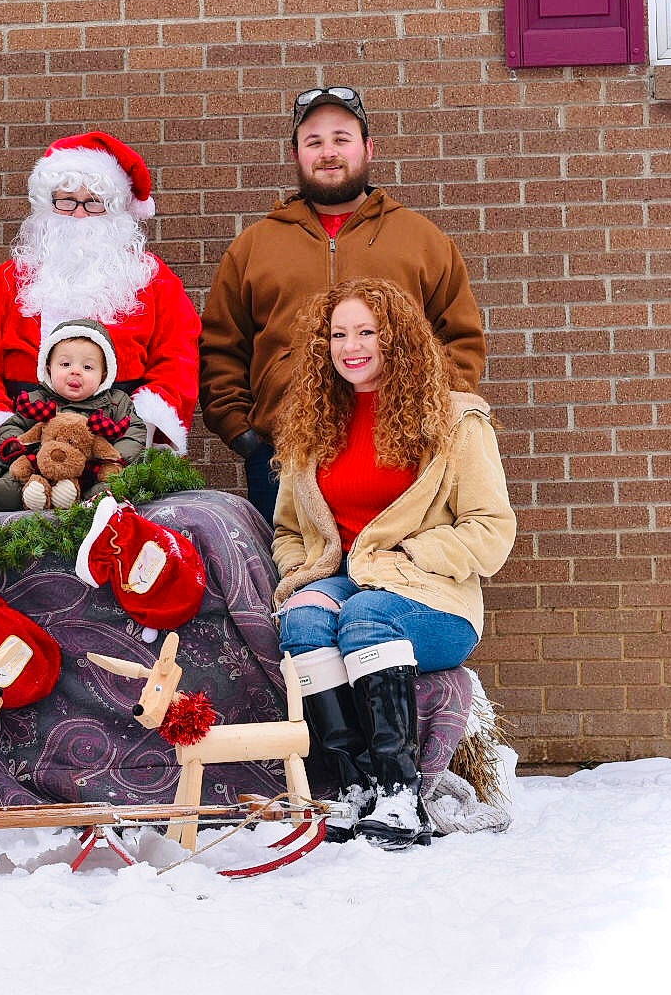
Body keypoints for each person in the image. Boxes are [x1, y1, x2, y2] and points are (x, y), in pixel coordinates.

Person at [270, 279, 514, 851]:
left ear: (397, 338)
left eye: (366, 332)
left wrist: (410, 554)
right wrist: (303, 570)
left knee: (366, 617)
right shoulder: (313, 427)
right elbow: (288, 530)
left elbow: (491, 532)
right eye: (338, 334)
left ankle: (401, 796)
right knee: (302, 620)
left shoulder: (455, 422)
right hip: (343, 580)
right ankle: (357, 786)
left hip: (431, 601)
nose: (350, 346)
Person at [200, 85, 487, 520]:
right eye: (314, 142)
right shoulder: (254, 246)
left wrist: (431, 420)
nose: (328, 152)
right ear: (296, 154)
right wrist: (244, 432)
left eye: (341, 138)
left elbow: (461, 340)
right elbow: (222, 346)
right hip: (284, 455)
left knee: (397, 562)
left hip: (400, 450)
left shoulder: (422, 240)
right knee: (291, 562)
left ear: (368, 148)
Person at [0, 132, 199, 471]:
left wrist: (137, 428)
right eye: (66, 201)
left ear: (116, 209)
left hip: (120, 443)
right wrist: (5, 433)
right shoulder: (6, 282)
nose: (79, 214)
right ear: (47, 204)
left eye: (94, 202)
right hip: (25, 439)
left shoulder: (154, 281)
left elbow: (178, 360)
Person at [0, 318, 148, 511]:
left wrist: (114, 458)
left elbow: (133, 430)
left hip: (90, 470)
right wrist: (18, 446)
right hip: (43, 467)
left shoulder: (116, 402)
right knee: (7, 489)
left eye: (87, 367)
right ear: (49, 368)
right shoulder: (38, 401)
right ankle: (31, 493)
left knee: (111, 488)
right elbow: (14, 425)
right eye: (65, 364)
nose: (75, 372)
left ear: (104, 375)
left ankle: (87, 497)